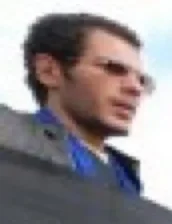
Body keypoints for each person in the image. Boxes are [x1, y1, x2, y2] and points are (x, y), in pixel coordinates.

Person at [0, 13, 154, 195]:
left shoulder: (127, 178)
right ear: (48, 71)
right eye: (113, 68)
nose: (136, 88)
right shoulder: (7, 130)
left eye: (142, 81)